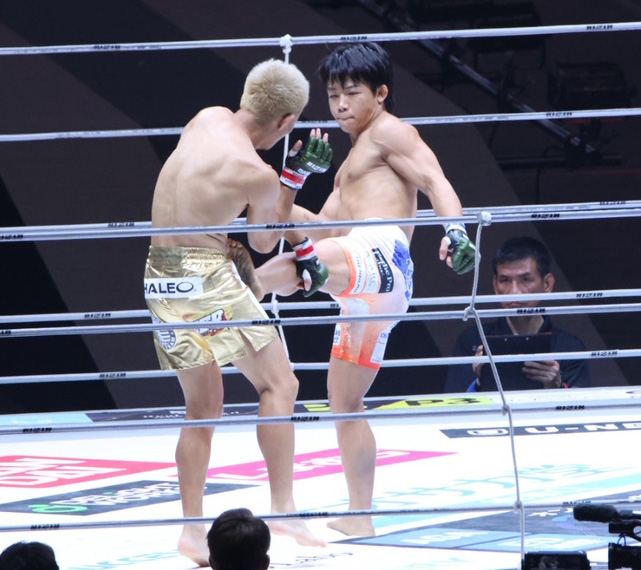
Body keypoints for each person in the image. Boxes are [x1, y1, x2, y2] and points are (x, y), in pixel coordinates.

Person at [253, 42, 477, 537]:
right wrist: (292, 178)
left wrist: (456, 232)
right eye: (333, 95)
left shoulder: (390, 131)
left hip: (381, 254)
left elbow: (436, 182)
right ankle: (361, 515)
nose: (340, 105)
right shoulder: (349, 167)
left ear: (381, 93)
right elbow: (320, 229)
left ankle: (234, 299)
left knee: (297, 266)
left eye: (352, 93)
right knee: (343, 400)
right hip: (368, 284)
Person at [143, 58, 332, 565]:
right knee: (280, 384)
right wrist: (293, 176)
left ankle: (191, 531)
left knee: (202, 407)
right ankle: (283, 508)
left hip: (158, 273)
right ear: (287, 121)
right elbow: (264, 240)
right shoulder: (256, 172)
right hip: (207, 275)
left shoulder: (206, 117)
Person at [444, 236, 591, 392]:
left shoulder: (570, 347)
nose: (514, 291)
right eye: (505, 280)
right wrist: (480, 382)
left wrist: (555, 386)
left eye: (526, 279)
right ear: (495, 285)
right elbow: (452, 404)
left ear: (547, 284)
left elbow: (582, 407)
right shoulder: (472, 341)